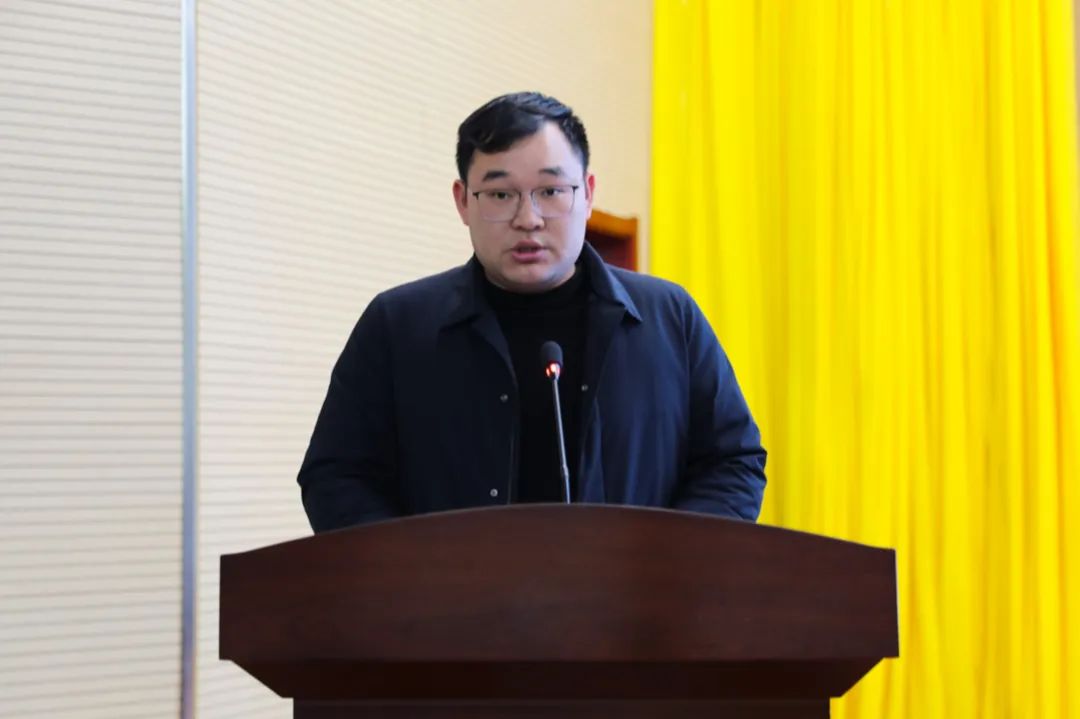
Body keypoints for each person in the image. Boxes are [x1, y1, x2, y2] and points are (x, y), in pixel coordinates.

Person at [298, 92, 766, 533]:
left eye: (551, 191)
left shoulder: (669, 317)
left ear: (588, 193)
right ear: (463, 201)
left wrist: (671, 562)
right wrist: (416, 573)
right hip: (449, 595)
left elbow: (733, 461)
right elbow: (336, 476)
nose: (528, 218)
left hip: (637, 593)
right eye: (500, 195)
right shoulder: (397, 325)